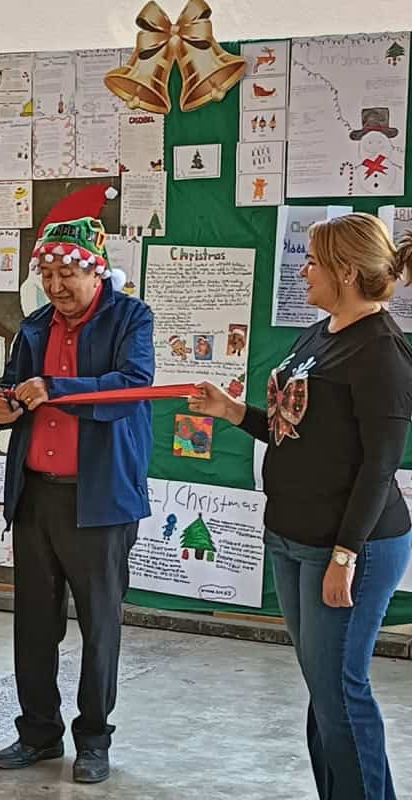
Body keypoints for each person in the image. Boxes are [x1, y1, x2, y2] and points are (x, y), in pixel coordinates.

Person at [189, 213, 412, 800]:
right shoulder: (322, 333)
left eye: (312, 261)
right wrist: (233, 413)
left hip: (347, 545)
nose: (303, 270)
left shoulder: (382, 352)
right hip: (292, 534)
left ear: (344, 270)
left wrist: (345, 555)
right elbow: (297, 428)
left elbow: (379, 465)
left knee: (341, 690)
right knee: (324, 689)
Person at [0, 217, 153, 784]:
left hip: (100, 500)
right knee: (33, 624)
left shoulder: (133, 318)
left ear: (95, 268)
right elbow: (9, 391)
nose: (56, 286)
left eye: (68, 273)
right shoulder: (34, 327)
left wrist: (58, 389)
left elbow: (134, 385)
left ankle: (94, 738)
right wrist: (1, 409)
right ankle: (37, 732)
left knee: (99, 625)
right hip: (36, 497)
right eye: (47, 273)